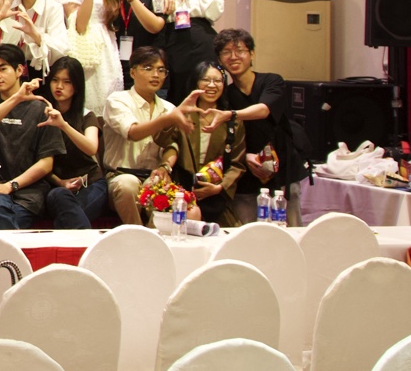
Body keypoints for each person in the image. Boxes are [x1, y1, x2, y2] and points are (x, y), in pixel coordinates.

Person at [0, 44, 61, 229]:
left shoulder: (42, 109)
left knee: (9, 221)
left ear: (19, 70)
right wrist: (17, 97)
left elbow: (46, 163)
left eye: (2, 69)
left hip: (28, 193)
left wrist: (10, 186)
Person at [215, 27, 300, 222]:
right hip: (246, 174)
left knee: (292, 229)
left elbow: (263, 110)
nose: (233, 57)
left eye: (240, 51)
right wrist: (245, 156)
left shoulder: (272, 81)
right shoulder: (225, 95)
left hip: (282, 169)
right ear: (219, 59)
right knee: (249, 232)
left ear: (252, 54)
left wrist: (230, 115)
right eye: (226, 52)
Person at [100, 46, 182, 226]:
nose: (156, 75)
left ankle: (155, 236)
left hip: (153, 175)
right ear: (133, 72)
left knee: (164, 188)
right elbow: (133, 132)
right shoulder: (117, 100)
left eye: (161, 70)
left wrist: (165, 166)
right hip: (120, 174)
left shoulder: (169, 108)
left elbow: (172, 145)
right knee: (128, 184)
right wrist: (165, 120)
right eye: (148, 68)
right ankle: (138, 233)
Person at [37, 55, 106, 229]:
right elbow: (35, 159)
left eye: (66, 82)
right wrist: (60, 182)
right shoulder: (41, 115)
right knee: (59, 196)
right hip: (56, 186)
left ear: (76, 87)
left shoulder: (86, 115)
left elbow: (91, 148)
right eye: (55, 80)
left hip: (90, 183)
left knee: (68, 217)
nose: (59, 86)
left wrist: (63, 125)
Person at [173, 59, 245, 224]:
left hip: (216, 196)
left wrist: (220, 188)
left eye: (218, 81)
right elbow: (166, 143)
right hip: (182, 192)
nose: (212, 85)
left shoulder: (232, 121)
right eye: (206, 79)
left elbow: (238, 163)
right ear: (196, 82)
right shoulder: (181, 115)